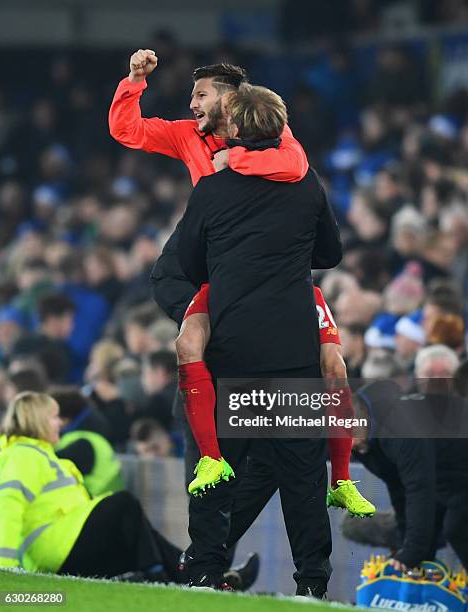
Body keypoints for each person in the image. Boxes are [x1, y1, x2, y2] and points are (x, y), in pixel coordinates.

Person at [110, 51, 373, 516]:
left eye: (200, 94)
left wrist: (235, 162)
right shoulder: (187, 135)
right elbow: (127, 130)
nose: (191, 103)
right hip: (221, 257)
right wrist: (133, 83)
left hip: (275, 269)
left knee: (331, 364)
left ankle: (342, 480)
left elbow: (294, 167)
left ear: (231, 101)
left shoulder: (277, 135)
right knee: (171, 289)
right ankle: (210, 343)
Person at [177, 84, 341, 597]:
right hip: (294, 352)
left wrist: (231, 266)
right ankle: (312, 584)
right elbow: (330, 253)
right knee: (302, 477)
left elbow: (188, 262)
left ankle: (203, 570)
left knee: (218, 466)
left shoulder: (212, 188)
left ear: (238, 129)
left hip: (232, 348)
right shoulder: (308, 184)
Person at [0, 391, 258, 590]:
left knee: (139, 532)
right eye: (54, 417)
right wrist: (4, 568)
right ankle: (168, 576)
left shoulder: (46, 457)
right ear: (37, 420)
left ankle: (204, 576)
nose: (59, 423)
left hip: (64, 544)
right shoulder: (24, 455)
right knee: (124, 506)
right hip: (55, 548)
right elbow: (6, 507)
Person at [351, 374, 468, 572]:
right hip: (449, 473)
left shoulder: (399, 428)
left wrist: (412, 552)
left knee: (457, 527)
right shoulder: (363, 440)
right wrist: (406, 546)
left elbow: (419, 488)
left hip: (456, 470)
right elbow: (399, 487)